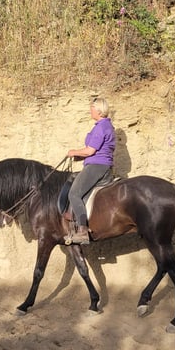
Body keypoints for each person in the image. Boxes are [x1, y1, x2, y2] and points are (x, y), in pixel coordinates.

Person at [66, 96, 116, 245]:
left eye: (92, 108)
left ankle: (82, 231)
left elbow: (90, 151)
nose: (90, 111)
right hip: (102, 165)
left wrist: (73, 152)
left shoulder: (100, 127)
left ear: (99, 110)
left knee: (74, 193)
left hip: (97, 166)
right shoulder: (107, 126)